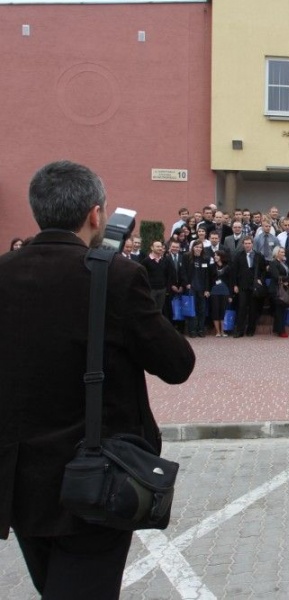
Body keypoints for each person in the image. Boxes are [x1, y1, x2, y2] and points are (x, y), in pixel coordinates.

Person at [0, 160, 195, 599]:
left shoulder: (4, 272)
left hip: (20, 481)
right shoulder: (115, 276)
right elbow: (177, 363)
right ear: (95, 214)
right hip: (97, 476)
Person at [184, 241, 213, 338]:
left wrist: (207, 289)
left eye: (200, 247)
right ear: (193, 247)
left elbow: (207, 276)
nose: (198, 249)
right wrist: (186, 283)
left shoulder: (205, 259)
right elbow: (183, 271)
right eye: (196, 247)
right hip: (191, 288)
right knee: (192, 310)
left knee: (202, 310)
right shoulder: (186, 257)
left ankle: (200, 329)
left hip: (202, 289)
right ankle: (192, 330)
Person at [268, 246, 289, 338]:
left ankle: (277, 328)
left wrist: (288, 280)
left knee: (281, 310)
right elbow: (276, 276)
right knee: (279, 310)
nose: (283, 254)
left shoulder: (283, 263)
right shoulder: (273, 263)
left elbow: (287, 274)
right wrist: (288, 279)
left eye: (284, 252)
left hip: (283, 288)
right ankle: (281, 331)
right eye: (281, 252)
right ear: (276, 253)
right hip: (276, 289)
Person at [209, 250, 232, 337]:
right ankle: (218, 332)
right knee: (215, 311)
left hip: (225, 291)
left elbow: (230, 282)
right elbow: (208, 279)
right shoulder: (211, 267)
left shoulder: (228, 267)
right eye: (214, 255)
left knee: (223, 311)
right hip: (214, 291)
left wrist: (230, 295)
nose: (215, 257)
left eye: (217, 255)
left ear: (221, 256)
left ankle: (223, 331)